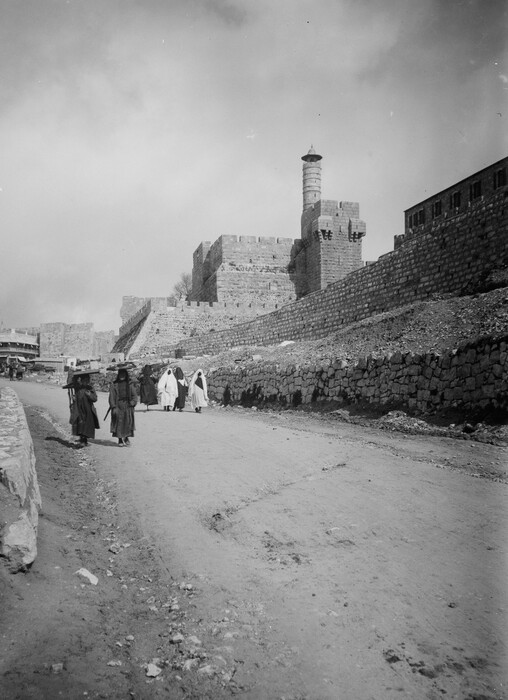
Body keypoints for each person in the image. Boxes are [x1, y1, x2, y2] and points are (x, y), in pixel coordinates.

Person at [64, 371, 100, 446]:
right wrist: (73, 374)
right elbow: (71, 381)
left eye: (87, 380)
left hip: (88, 409)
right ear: (81, 380)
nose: (86, 382)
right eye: (84, 380)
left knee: (87, 424)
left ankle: (84, 440)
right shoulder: (77, 388)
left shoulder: (90, 388)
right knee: (80, 424)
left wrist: (89, 395)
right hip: (79, 409)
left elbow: (95, 399)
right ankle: (82, 439)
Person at [108, 363, 138, 446]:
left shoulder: (130, 384)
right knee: (119, 422)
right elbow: (112, 397)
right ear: (118, 375)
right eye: (120, 374)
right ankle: (120, 439)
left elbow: (134, 395)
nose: (122, 376)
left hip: (127, 405)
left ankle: (127, 438)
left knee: (128, 422)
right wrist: (113, 407)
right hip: (118, 405)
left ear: (126, 375)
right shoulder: (114, 385)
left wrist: (132, 403)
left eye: (123, 374)